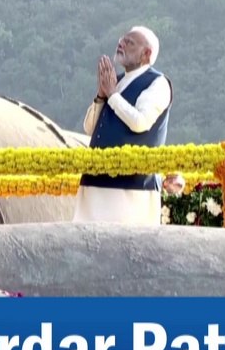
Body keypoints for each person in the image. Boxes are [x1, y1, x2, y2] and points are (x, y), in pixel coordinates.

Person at [73, 26, 182, 224]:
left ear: (146, 53)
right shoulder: (117, 82)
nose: (121, 43)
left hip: (132, 189)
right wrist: (101, 95)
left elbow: (140, 123)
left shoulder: (158, 83)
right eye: (122, 40)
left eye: (130, 42)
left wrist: (113, 95)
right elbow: (90, 128)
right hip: (95, 182)